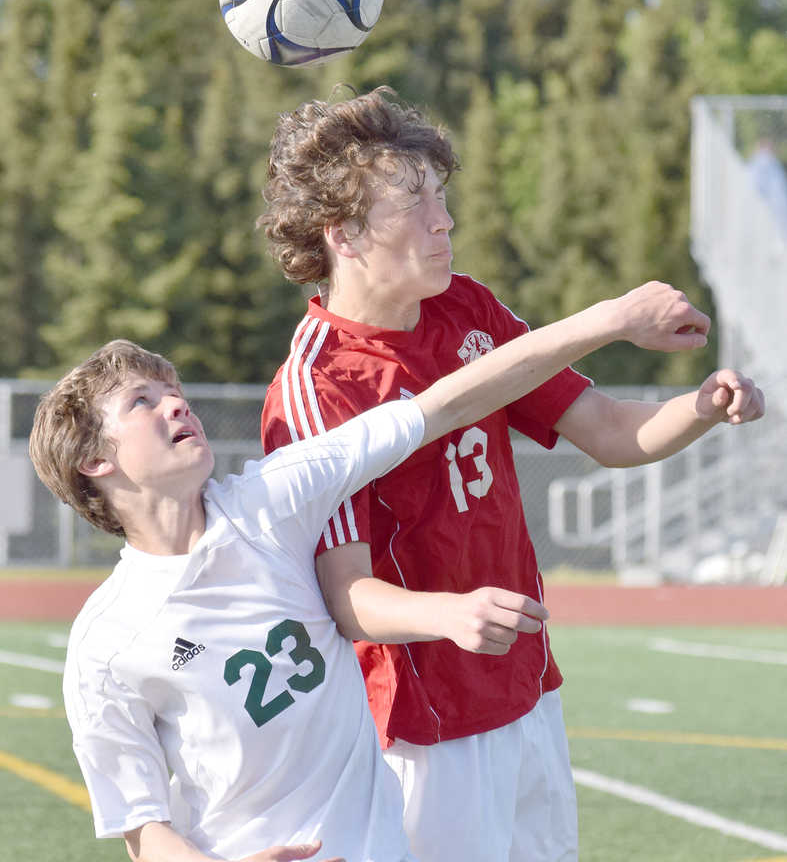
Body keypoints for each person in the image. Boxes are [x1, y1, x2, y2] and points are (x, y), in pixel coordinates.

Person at [28, 303, 737, 862]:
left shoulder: (275, 503)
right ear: (95, 461)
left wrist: (606, 321)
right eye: (142, 403)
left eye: (173, 391)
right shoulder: (108, 644)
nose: (176, 405)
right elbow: (139, 824)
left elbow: (445, 405)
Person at [259, 87, 765, 862]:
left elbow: (607, 431)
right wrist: (449, 613)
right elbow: (347, 597)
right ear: (345, 235)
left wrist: (698, 406)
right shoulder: (316, 385)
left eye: (441, 196)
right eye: (414, 203)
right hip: (424, 729)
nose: (444, 220)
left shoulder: (467, 309)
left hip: (526, 691)